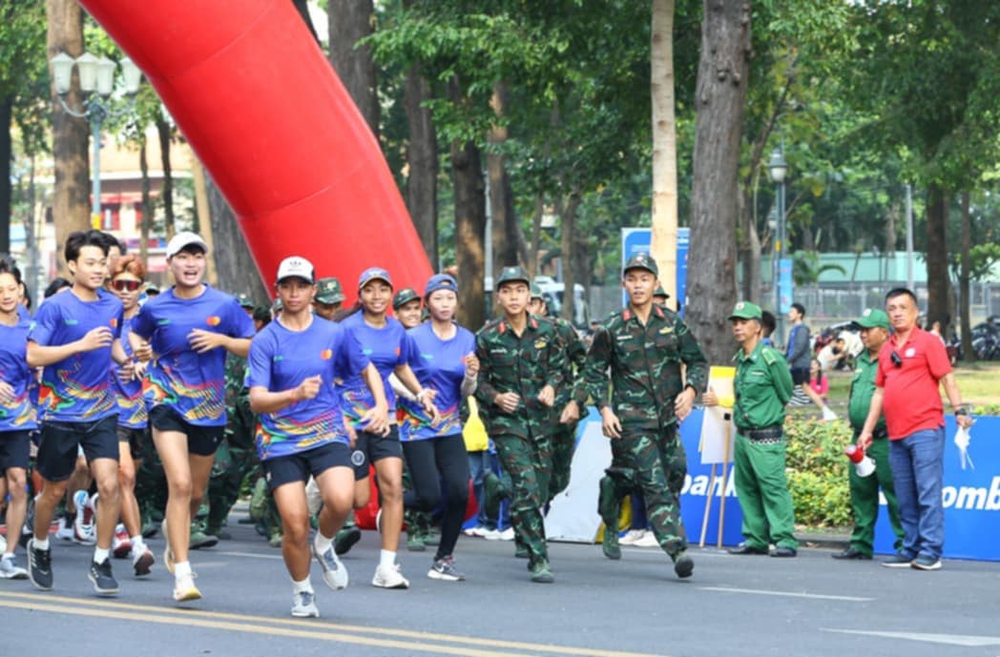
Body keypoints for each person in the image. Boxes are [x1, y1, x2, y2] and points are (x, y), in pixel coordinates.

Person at [248, 256, 376, 617]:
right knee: (293, 522)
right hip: (281, 440)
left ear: (313, 291)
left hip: (326, 432)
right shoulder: (266, 340)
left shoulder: (334, 333)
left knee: (342, 499)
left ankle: (325, 544)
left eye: (301, 286)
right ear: (277, 290)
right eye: (287, 286)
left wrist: (380, 405)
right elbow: (257, 400)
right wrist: (293, 395)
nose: (294, 293)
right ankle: (302, 590)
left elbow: (367, 370)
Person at [129, 231, 254, 601]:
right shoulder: (155, 307)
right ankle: (183, 574)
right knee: (180, 484)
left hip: (209, 408)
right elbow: (136, 335)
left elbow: (251, 345)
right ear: (169, 264)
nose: (190, 263)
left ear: (204, 262)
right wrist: (142, 355)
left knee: (196, 492)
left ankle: (175, 528)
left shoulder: (226, 304)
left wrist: (222, 341)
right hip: (165, 400)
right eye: (183, 257)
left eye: (197, 256)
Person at [585, 253, 707, 578]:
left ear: (655, 283)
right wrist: (604, 409)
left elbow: (697, 361)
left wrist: (691, 391)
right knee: (654, 484)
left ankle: (611, 502)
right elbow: (594, 372)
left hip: (667, 419)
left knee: (675, 471)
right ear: (624, 283)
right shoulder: (611, 327)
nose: (638, 285)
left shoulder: (671, 322)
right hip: (631, 421)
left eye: (644, 279)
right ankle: (677, 549)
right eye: (632, 279)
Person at [26, 230, 132, 595]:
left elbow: (112, 341)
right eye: (90, 262)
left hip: (102, 409)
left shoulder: (112, 304)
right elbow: (33, 355)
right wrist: (78, 345)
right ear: (72, 265)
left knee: (109, 483)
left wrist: (127, 362)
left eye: (102, 262)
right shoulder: (55, 306)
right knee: (54, 492)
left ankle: (101, 560)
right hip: (61, 412)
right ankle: (39, 547)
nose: (98, 269)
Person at [857, 288, 973, 571]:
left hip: (925, 429)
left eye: (902, 307)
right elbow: (879, 394)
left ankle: (931, 551)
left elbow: (947, 378)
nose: (896, 313)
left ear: (915, 312)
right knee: (905, 495)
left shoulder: (928, 343)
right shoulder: (886, 349)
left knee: (927, 491)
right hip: (896, 433)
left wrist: (959, 410)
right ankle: (910, 548)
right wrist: (867, 430)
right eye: (892, 309)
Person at [475, 266, 566, 583]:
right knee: (527, 489)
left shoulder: (547, 331)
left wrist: (552, 386)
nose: (514, 297)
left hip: (541, 422)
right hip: (507, 425)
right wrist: (497, 398)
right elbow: (477, 383)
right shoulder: (487, 337)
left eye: (520, 291)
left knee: (540, 491)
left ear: (530, 296)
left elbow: (560, 368)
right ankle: (539, 557)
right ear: (498, 296)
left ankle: (499, 488)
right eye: (507, 291)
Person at [338, 267, 427, 589]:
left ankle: (386, 567)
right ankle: (321, 529)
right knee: (359, 499)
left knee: (392, 486)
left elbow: (401, 366)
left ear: (391, 295)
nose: (377, 296)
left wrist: (419, 394)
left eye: (383, 290)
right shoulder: (345, 329)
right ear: (360, 295)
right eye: (370, 290)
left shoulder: (397, 330)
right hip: (352, 420)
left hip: (386, 418)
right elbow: (330, 373)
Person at [403, 273, 477, 580]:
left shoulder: (467, 338)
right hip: (416, 425)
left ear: (457, 302)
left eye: (450, 298)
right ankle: (392, 501)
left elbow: (466, 391)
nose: (445, 304)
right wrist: (417, 394)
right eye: (438, 298)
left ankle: (443, 559)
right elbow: (394, 376)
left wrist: (472, 376)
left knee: (460, 490)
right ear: (427, 303)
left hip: (450, 426)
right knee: (430, 497)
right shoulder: (413, 337)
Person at [719, 301, 798, 558]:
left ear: (758, 327)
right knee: (747, 488)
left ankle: (784, 538)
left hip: (766, 436)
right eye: (735, 323)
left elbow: (786, 392)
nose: (738, 327)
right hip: (743, 436)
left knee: (772, 487)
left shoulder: (770, 359)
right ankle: (755, 538)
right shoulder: (740, 359)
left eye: (744, 322)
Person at [832, 308, 904, 560]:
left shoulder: (895, 357)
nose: (862, 334)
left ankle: (904, 545)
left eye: (868, 329)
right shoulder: (861, 359)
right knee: (861, 490)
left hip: (885, 437)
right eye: (860, 329)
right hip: (860, 438)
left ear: (884, 333)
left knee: (895, 493)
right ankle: (861, 543)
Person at [108, 254, 156, 576]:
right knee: (123, 476)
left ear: (141, 288)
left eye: (132, 285)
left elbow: (167, 356)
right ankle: (139, 545)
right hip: (106, 406)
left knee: (127, 480)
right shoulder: (102, 314)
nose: (125, 291)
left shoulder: (150, 318)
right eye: (119, 284)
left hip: (142, 410)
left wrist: (146, 363)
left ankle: (96, 509)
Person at [527, 282, 587, 503]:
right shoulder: (503, 334)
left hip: (560, 416)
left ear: (542, 306)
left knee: (559, 480)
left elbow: (587, 367)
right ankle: (506, 492)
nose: (527, 308)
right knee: (529, 477)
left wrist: (576, 402)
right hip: (525, 419)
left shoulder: (561, 329)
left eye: (532, 302)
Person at [0, 257, 34, 579]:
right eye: (0, 290)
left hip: (18, 420)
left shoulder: (30, 328)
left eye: (11, 288)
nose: (6, 295)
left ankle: (8, 556)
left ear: (20, 289)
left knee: (19, 483)